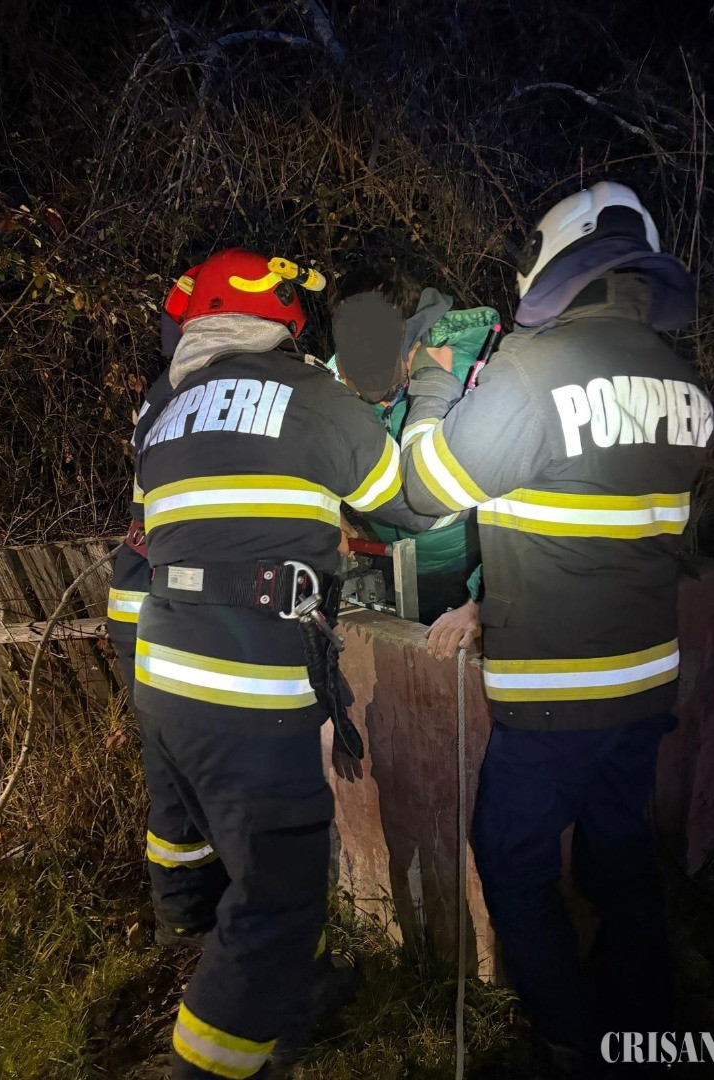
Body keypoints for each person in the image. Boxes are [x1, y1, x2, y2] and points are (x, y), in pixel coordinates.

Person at [399, 183, 714, 1072]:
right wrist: (486, 602)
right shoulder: (686, 384)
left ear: (554, 260)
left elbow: (424, 491)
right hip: (644, 682)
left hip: (553, 695)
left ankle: (572, 1042)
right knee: (619, 857)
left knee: (511, 858)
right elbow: (598, 523)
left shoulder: (535, 372)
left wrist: (434, 385)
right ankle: (645, 1027)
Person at [123, 247, 441, 1080]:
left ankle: (289, 1006)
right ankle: (210, 1063)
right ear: (280, 317)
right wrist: (434, 391)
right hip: (248, 692)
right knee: (279, 894)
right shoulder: (311, 395)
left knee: (248, 865)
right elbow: (412, 503)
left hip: (166, 682)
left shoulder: (164, 410)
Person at [107, 268, 227, 946]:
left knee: (179, 766)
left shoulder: (168, 396)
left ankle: (190, 914)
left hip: (146, 603)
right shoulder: (193, 396)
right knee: (179, 770)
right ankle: (187, 920)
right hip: (158, 609)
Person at [330, 261, 500, 658]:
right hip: (389, 563)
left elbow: (520, 501)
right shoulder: (347, 366)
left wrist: (482, 600)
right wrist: (326, 512)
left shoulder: (472, 376)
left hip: (466, 567)